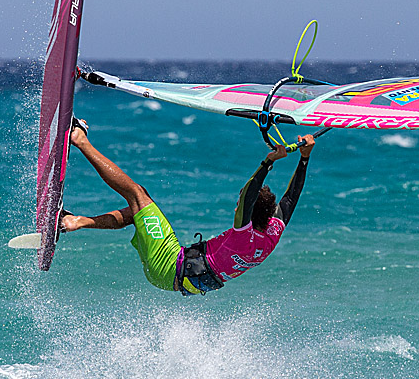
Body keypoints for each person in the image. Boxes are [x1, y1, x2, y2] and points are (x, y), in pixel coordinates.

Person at [60, 118, 315, 296]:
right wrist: (304, 158)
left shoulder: (243, 234)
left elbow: (249, 196)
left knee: (138, 195)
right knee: (140, 211)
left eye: (240, 202)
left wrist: (267, 163)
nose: (238, 203)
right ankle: (76, 222)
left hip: (171, 264)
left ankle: (79, 139)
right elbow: (290, 199)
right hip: (173, 280)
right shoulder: (271, 235)